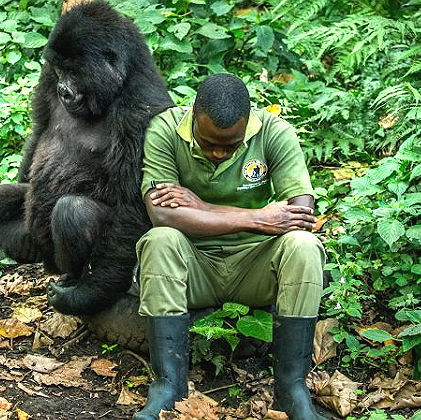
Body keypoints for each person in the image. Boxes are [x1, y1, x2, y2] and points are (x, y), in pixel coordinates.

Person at [131, 73, 327, 420]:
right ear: (192, 117)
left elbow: (300, 213)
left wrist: (204, 208)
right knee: (160, 240)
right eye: (208, 143)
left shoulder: (274, 132)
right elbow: (162, 215)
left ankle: (291, 388)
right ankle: (168, 387)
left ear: (248, 125)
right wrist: (257, 217)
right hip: (191, 268)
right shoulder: (165, 130)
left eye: (231, 145)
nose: (219, 152)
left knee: (303, 244)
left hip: (256, 266)